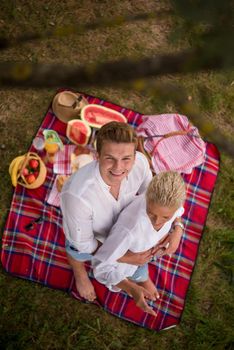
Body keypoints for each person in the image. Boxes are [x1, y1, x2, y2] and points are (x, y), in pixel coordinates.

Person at [60, 121, 153, 302]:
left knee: (140, 254)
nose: (118, 168)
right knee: (76, 249)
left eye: (126, 159)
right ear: (97, 155)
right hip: (92, 240)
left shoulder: (140, 163)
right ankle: (79, 273)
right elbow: (85, 244)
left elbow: (151, 193)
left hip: (125, 230)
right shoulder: (77, 197)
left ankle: (141, 276)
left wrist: (177, 226)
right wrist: (125, 257)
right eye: (110, 158)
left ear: (135, 155)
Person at [93, 171, 186, 316]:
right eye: (151, 213)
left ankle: (143, 277)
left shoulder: (169, 204)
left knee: (142, 270)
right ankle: (139, 279)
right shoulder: (129, 230)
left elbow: (178, 212)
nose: (156, 222)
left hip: (147, 252)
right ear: (147, 198)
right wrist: (130, 288)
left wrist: (178, 228)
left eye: (166, 217)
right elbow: (101, 267)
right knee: (137, 272)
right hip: (128, 260)